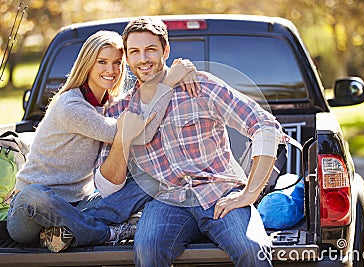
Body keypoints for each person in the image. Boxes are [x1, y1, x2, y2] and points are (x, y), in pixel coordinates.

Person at [95, 17, 285, 266]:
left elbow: (265, 125)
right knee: (148, 250)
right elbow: (106, 188)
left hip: (219, 193)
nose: (143, 59)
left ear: (166, 50)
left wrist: (249, 193)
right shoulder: (119, 110)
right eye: (135, 52)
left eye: (151, 49)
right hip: (166, 200)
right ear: (127, 59)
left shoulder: (199, 86)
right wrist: (123, 138)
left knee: (252, 249)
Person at [6, 30, 198, 252]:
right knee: (35, 194)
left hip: (80, 207)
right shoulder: (71, 106)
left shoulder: (111, 105)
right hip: (29, 213)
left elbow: (142, 124)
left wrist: (174, 74)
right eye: (102, 62)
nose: (111, 70)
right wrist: (170, 82)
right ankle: (107, 233)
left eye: (117, 63)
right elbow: (135, 133)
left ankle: (66, 231)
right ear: (87, 64)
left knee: (150, 179)